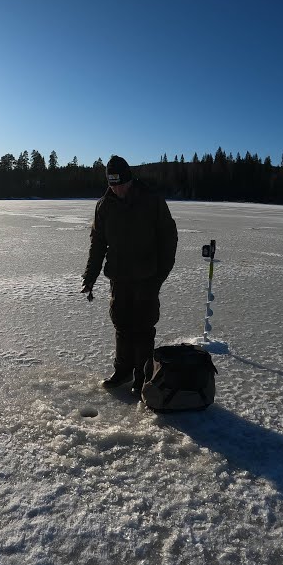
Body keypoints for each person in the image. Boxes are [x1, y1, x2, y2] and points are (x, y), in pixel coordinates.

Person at [80, 155, 178, 396]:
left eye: (121, 184)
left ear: (130, 179)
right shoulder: (104, 205)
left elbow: (169, 238)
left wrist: (159, 275)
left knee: (143, 327)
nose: (117, 189)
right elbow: (98, 243)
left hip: (147, 277)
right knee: (121, 323)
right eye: (112, 185)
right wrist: (90, 277)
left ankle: (142, 377)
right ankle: (122, 371)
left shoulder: (152, 201)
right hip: (119, 277)